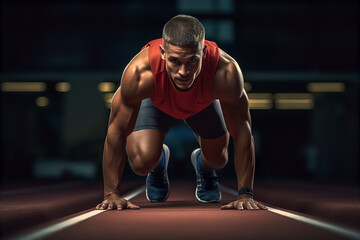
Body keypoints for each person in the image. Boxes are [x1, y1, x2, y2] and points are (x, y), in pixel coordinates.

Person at [96, 14, 267, 211]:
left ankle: (203, 167)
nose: (184, 72)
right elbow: (116, 131)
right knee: (141, 163)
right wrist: (112, 194)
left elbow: (243, 131)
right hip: (156, 102)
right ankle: (158, 163)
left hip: (202, 103)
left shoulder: (226, 72)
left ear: (202, 52)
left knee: (219, 159)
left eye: (192, 61)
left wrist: (245, 194)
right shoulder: (140, 74)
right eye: (175, 61)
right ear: (162, 52)